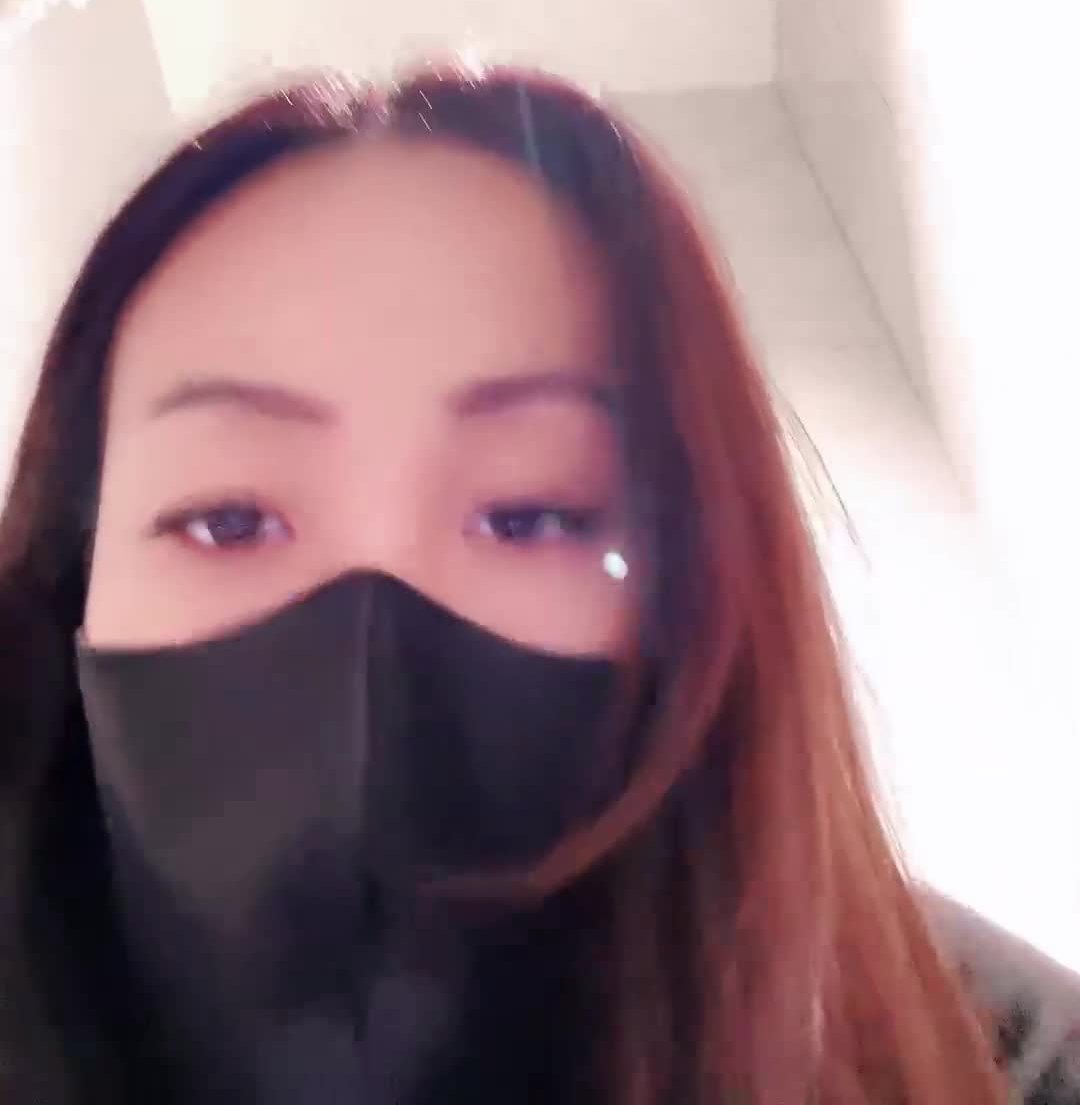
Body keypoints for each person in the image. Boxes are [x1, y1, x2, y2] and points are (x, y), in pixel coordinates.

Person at [0, 64, 1076, 1104]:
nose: (369, 634)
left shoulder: (994, 1054)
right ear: (71, 581)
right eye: (227, 520)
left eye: (533, 515)